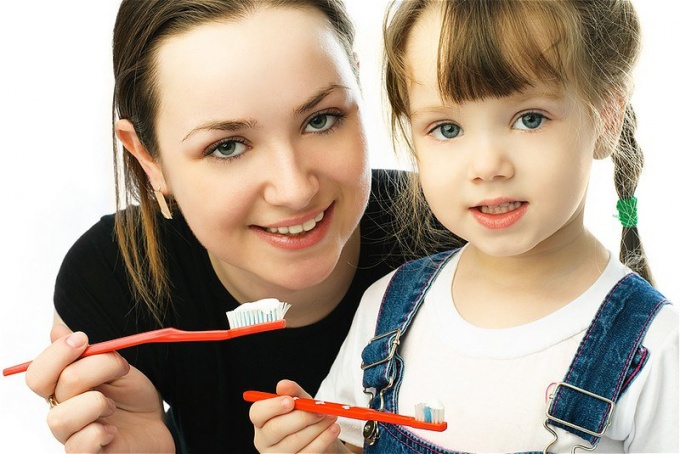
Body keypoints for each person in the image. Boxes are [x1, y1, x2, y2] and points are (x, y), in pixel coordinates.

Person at [22, 0, 458, 452]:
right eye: (227, 147)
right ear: (148, 159)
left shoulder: (467, 232)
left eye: (321, 119)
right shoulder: (111, 282)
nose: (293, 189)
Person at [249, 0, 679, 452]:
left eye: (529, 119)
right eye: (447, 129)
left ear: (607, 114)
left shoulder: (656, 351)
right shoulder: (386, 311)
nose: (487, 165)